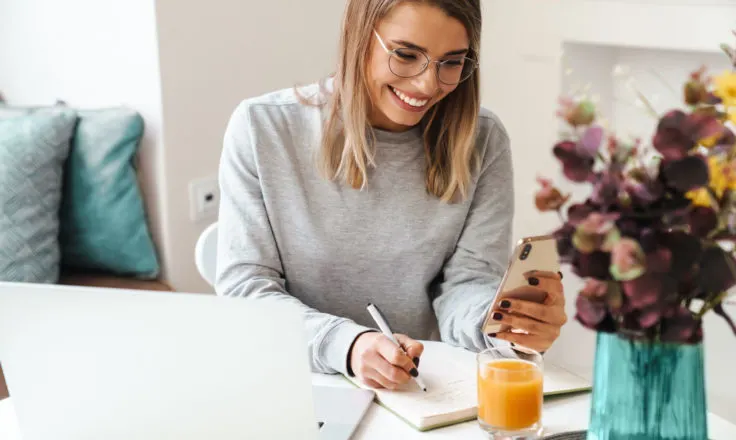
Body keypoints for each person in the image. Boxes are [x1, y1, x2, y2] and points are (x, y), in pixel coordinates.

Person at [215, 0, 567, 391]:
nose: (428, 85)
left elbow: (468, 282)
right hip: (295, 384)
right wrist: (346, 346)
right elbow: (245, 289)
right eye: (407, 55)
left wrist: (502, 325)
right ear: (359, 37)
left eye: (452, 62)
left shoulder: (483, 141)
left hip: (418, 391)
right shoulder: (262, 128)